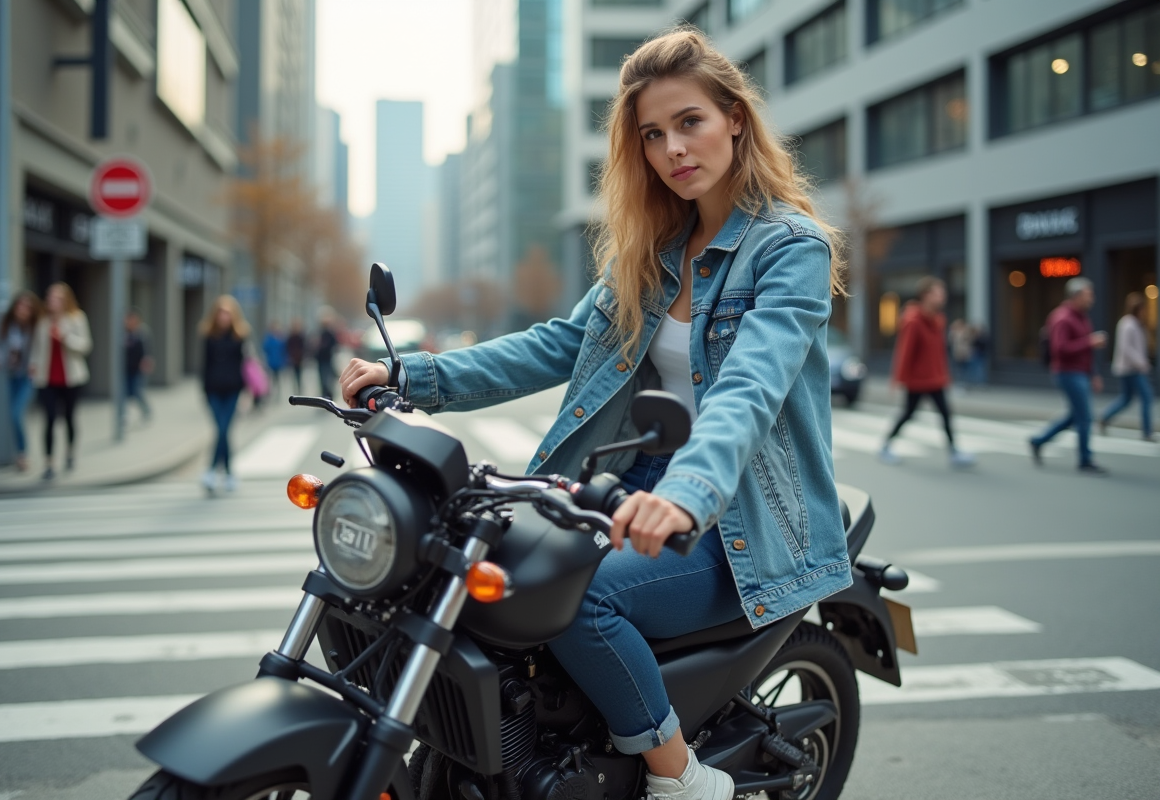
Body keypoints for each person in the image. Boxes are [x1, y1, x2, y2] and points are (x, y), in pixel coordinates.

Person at [340, 29, 852, 800]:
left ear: (735, 120)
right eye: (653, 134)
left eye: (691, 122)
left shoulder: (790, 249)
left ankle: (681, 778)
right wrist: (411, 374)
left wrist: (684, 495)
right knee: (472, 576)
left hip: (736, 512)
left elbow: (748, 391)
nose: (673, 148)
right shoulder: (654, 251)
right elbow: (557, 345)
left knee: (585, 601)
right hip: (626, 485)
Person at [878, 278, 975, 468]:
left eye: (942, 292)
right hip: (917, 380)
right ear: (925, 295)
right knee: (908, 414)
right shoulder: (913, 321)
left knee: (946, 414)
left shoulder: (938, 320)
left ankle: (954, 452)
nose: (942, 297)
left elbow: (939, 354)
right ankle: (885, 445)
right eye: (938, 293)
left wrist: (945, 375)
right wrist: (897, 380)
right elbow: (904, 352)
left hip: (935, 379)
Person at [1029, 277, 1108, 473]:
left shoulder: (1082, 316)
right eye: (1089, 295)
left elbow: (1086, 353)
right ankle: (1085, 459)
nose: (1092, 299)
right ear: (1076, 296)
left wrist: (1094, 374)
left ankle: (1038, 440)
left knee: (1075, 416)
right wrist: (1089, 342)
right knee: (1085, 416)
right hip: (1067, 372)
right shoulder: (1062, 317)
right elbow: (1060, 349)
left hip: (1080, 372)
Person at [29, 283, 92, 480]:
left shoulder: (76, 318)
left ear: (65, 300)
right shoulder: (43, 321)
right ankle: (49, 463)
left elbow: (85, 345)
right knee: (48, 420)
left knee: (69, 418)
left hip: (71, 377)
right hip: (47, 378)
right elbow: (36, 348)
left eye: (56, 298)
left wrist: (65, 337)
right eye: (50, 297)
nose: (51, 301)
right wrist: (32, 364)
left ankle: (70, 453)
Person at [200, 295, 250, 494]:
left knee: (223, 430)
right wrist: (203, 390)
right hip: (213, 390)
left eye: (227, 314)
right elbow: (204, 365)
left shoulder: (240, 337)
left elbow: (244, 366)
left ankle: (213, 471)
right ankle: (228, 473)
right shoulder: (208, 337)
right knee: (221, 430)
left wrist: (246, 392)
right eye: (221, 313)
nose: (224, 317)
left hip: (232, 390)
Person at [0, 291, 42, 471]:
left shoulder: (36, 327)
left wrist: (36, 365)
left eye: (27, 306)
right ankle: (16, 451)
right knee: (11, 416)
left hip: (27, 378)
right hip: (10, 375)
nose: (23, 309)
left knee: (15, 413)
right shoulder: (7, 325)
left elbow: (40, 352)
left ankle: (22, 453)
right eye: (20, 305)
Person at [1098, 292, 1154, 441]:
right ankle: (1147, 431)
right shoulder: (1128, 324)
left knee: (1126, 399)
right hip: (1130, 369)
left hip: (1131, 368)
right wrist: (1141, 363)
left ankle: (1105, 417)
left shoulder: (1136, 324)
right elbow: (1126, 348)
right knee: (1146, 396)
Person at [123, 307, 153, 423]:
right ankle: (123, 415)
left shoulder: (142, 333)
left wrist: (147, 361)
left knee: (137, 391)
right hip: (125, 368)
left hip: (138, 368)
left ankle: (146, 410)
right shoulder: (123, 333)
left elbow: (148, 350)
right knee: (124, 392)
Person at [314, 307, 339, 400]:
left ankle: (328, 395)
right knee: (322, 378)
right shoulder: (320, 332)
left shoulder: (330, 333)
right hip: (321, 359)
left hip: (327, 358)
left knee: (326, 378)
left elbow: (334, 344)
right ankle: (325, 395)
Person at [948, 318, 974, 389]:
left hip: (965, 353)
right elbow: (950, 341)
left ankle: (965, 383)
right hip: (957, 353)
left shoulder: (966, 332)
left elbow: (969, 339)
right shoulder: (954, 333)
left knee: (965, 369)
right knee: (958, 369)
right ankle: (959, 383)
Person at [262, 321, 287, 395]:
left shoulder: (280, 338)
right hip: (271, 361)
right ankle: (271, 392)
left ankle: (278, 392)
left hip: (278, 361)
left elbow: (284, 349)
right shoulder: (269, 338)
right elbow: (265, 348)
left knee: (278, 378)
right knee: (270, 378)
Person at [286, 318, 306, 394]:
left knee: (299, 374)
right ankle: (297, 387)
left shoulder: (301, 336)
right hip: (294, 358)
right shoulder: (291, 337)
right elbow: (288, 347)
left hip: (299, 358)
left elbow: (304, 347)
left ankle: (299, 387)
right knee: (295, 374)